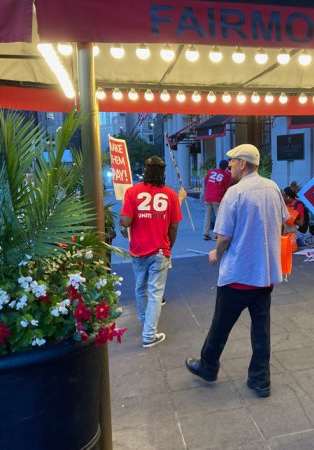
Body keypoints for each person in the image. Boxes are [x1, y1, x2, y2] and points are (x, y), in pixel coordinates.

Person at [185, 144, 288, 398]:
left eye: (232, 161)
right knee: (261, 331)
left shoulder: (235, 193)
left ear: (243, 163)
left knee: (220, 325)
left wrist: (215, 254)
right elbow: (285, 222)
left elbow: (223, 237)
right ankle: (260, 380)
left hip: (237, 275)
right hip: (264, 275)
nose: (229, 164)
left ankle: (208, 367)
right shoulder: (273, 188)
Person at [120, 156, 182, 348]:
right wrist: (169, 246)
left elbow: (126, 222)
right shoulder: (171, 195)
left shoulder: (132, 192)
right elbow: (173, 227)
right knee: (156, 293)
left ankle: (144, 321)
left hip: (138, 250)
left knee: (140, 287)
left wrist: (122, 223)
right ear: (162, 172)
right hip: (160, 250)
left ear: (145, 171)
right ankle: (149, 334)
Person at [202, 159, 231, 240]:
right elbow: (226, 188)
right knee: (218, 216)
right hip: (217, 198)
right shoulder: (225, 175)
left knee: (208, 216)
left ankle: (206, 234)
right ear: (226, 167)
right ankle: (217, 235)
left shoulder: (211, 171)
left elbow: (205, 182)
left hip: (208, 196)